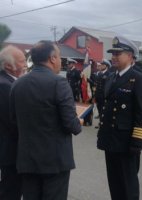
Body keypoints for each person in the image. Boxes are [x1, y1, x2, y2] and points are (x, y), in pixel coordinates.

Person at [10, 40, 82, 199]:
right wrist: (79, 123)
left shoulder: (17, 84)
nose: (60, 61)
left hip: (27, 160)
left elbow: (14, 121)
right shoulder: (59, 83)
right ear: (52, 58)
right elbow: (72, 124)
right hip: (54, 162)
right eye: (59, 56)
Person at [97, 36, 142, 200]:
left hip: (126, 142)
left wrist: (137, 142)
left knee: (128, 185)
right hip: (110, 139)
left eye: (118, 53)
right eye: (113, 53)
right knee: (114, 182)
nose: (114, 57)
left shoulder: (138, 78)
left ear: (130, 56)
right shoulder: (112, 76)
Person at [0, 45, 26, 200]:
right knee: (11, 192)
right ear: (9, 65)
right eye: (22, 61)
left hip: (11, 150)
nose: (26, 65)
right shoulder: (5, 85)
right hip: (11, 151)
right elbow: (13, 121)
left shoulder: (9, 82)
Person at [94, 59, 111, 127]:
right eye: (101, 64)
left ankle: (103, 122)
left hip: (104, 96)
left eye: (103, 65)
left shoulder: (109, 74)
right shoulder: (100, 73)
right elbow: (97, 85)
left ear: (106, 66)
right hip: (98, 95)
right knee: (99, 109)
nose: (101, 66)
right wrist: (95, 95)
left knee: (103, 110)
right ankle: (101, 121)